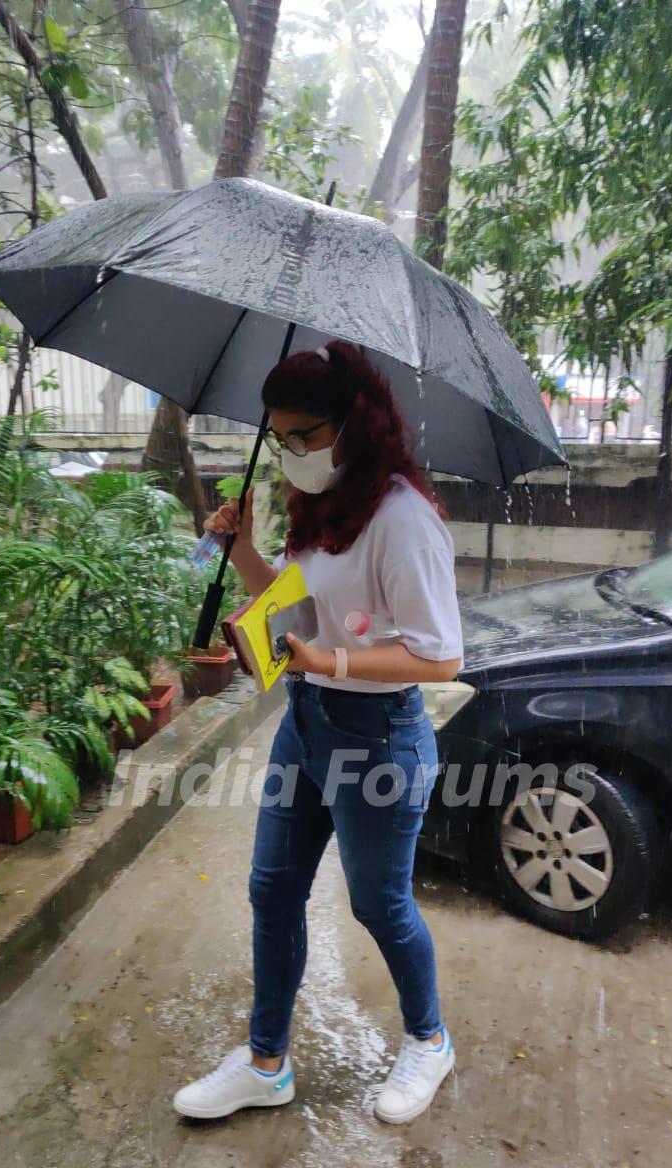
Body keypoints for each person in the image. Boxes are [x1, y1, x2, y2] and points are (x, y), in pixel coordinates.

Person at [173, 341, 464, 1126]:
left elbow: (440, 657)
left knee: (380, 905)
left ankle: (430, 1041)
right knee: (272, 889)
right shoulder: (321, 500)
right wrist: (241, 555)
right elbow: (297, 606)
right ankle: (266, 1062)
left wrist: (323, 657)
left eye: (302, 435)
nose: (289, 451)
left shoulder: (404, 518)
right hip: (305, 726)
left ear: (353, 423)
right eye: (279, 436)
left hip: (378, 740)